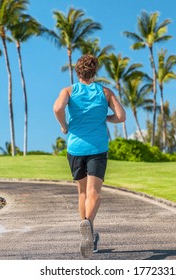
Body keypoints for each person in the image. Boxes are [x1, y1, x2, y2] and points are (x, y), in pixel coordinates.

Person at [53, 54, 126, 258]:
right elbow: (121, 117)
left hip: (75, 148)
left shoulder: (68, 90)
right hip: (97, 148)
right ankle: (89, 227)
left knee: (82, 193)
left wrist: (64, 125)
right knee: (95, 192)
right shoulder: (105, 92)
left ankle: (88, 233)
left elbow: (58, 107)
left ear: (77, 72)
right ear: (95, 72)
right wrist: (104, 117)